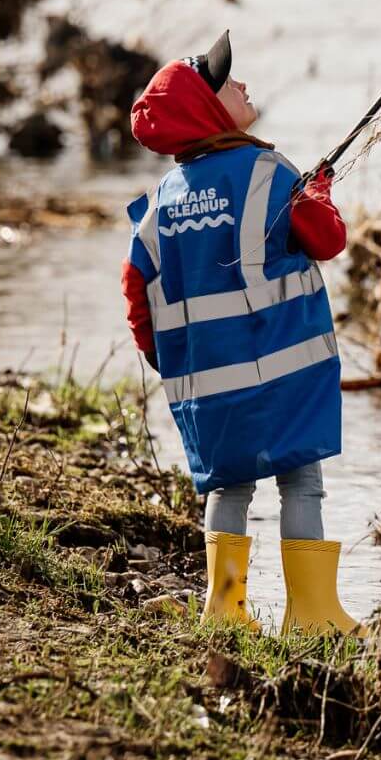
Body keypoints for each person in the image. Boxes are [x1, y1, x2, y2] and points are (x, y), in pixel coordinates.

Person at [120, 31, 360, 635]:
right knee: (301, 481)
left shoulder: (159, 206)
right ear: (208, 110)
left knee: (228, 489)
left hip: (209, 388)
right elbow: (327, 240)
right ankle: (312, 616)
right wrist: (319, 191)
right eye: (228, 83)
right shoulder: (267, 173)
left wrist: (174, 363)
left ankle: (225, 612)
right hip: (287, 372)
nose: (244, 85)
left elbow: (137, 296)